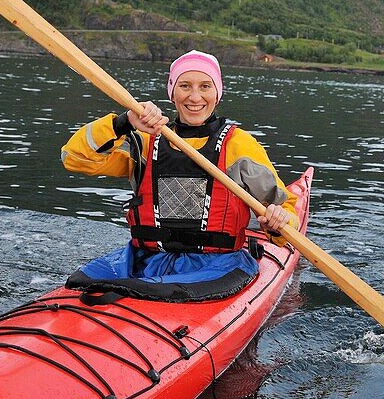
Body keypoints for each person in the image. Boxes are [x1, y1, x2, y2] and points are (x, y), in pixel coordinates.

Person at [61, 50, 297, 301]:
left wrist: (279, 222)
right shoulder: (145, 141)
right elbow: (75, 159)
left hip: (217, 266)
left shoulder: (240, 145)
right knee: (82, 282)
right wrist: (123, 123)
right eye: (185, 86)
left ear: (217, 93)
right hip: (146, 262)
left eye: (205, 86)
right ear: (172, 92)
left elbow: (285, 209)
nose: (195, 97)